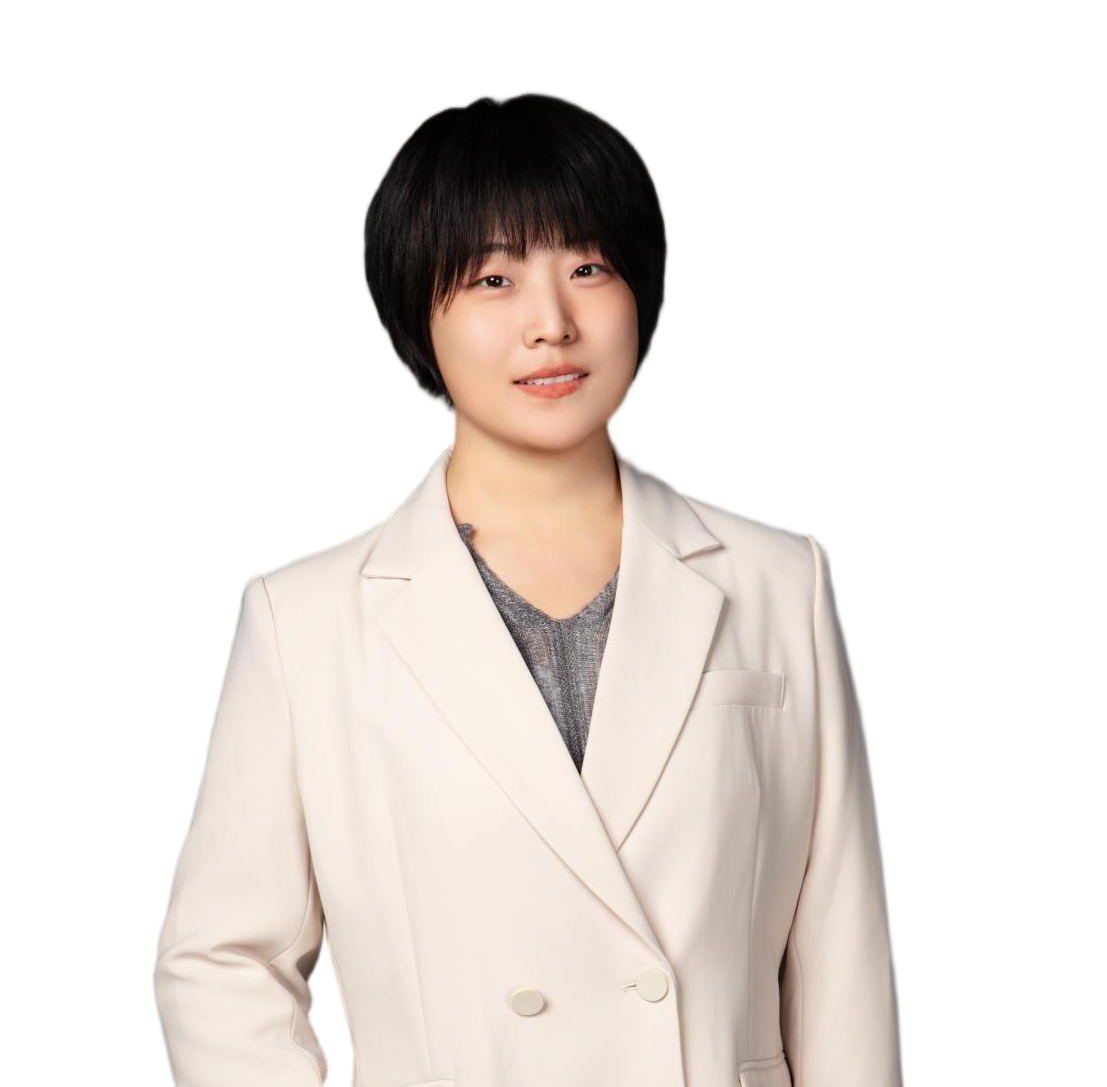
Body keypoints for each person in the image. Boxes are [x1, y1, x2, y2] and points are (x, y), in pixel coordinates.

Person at [152, 91, 905, 1087]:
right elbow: (221, 961)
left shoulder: (780, 578)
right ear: (415, 314)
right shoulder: (307, 618)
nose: (552, 324)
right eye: (492, 278)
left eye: (589, 267)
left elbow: (842, 948)